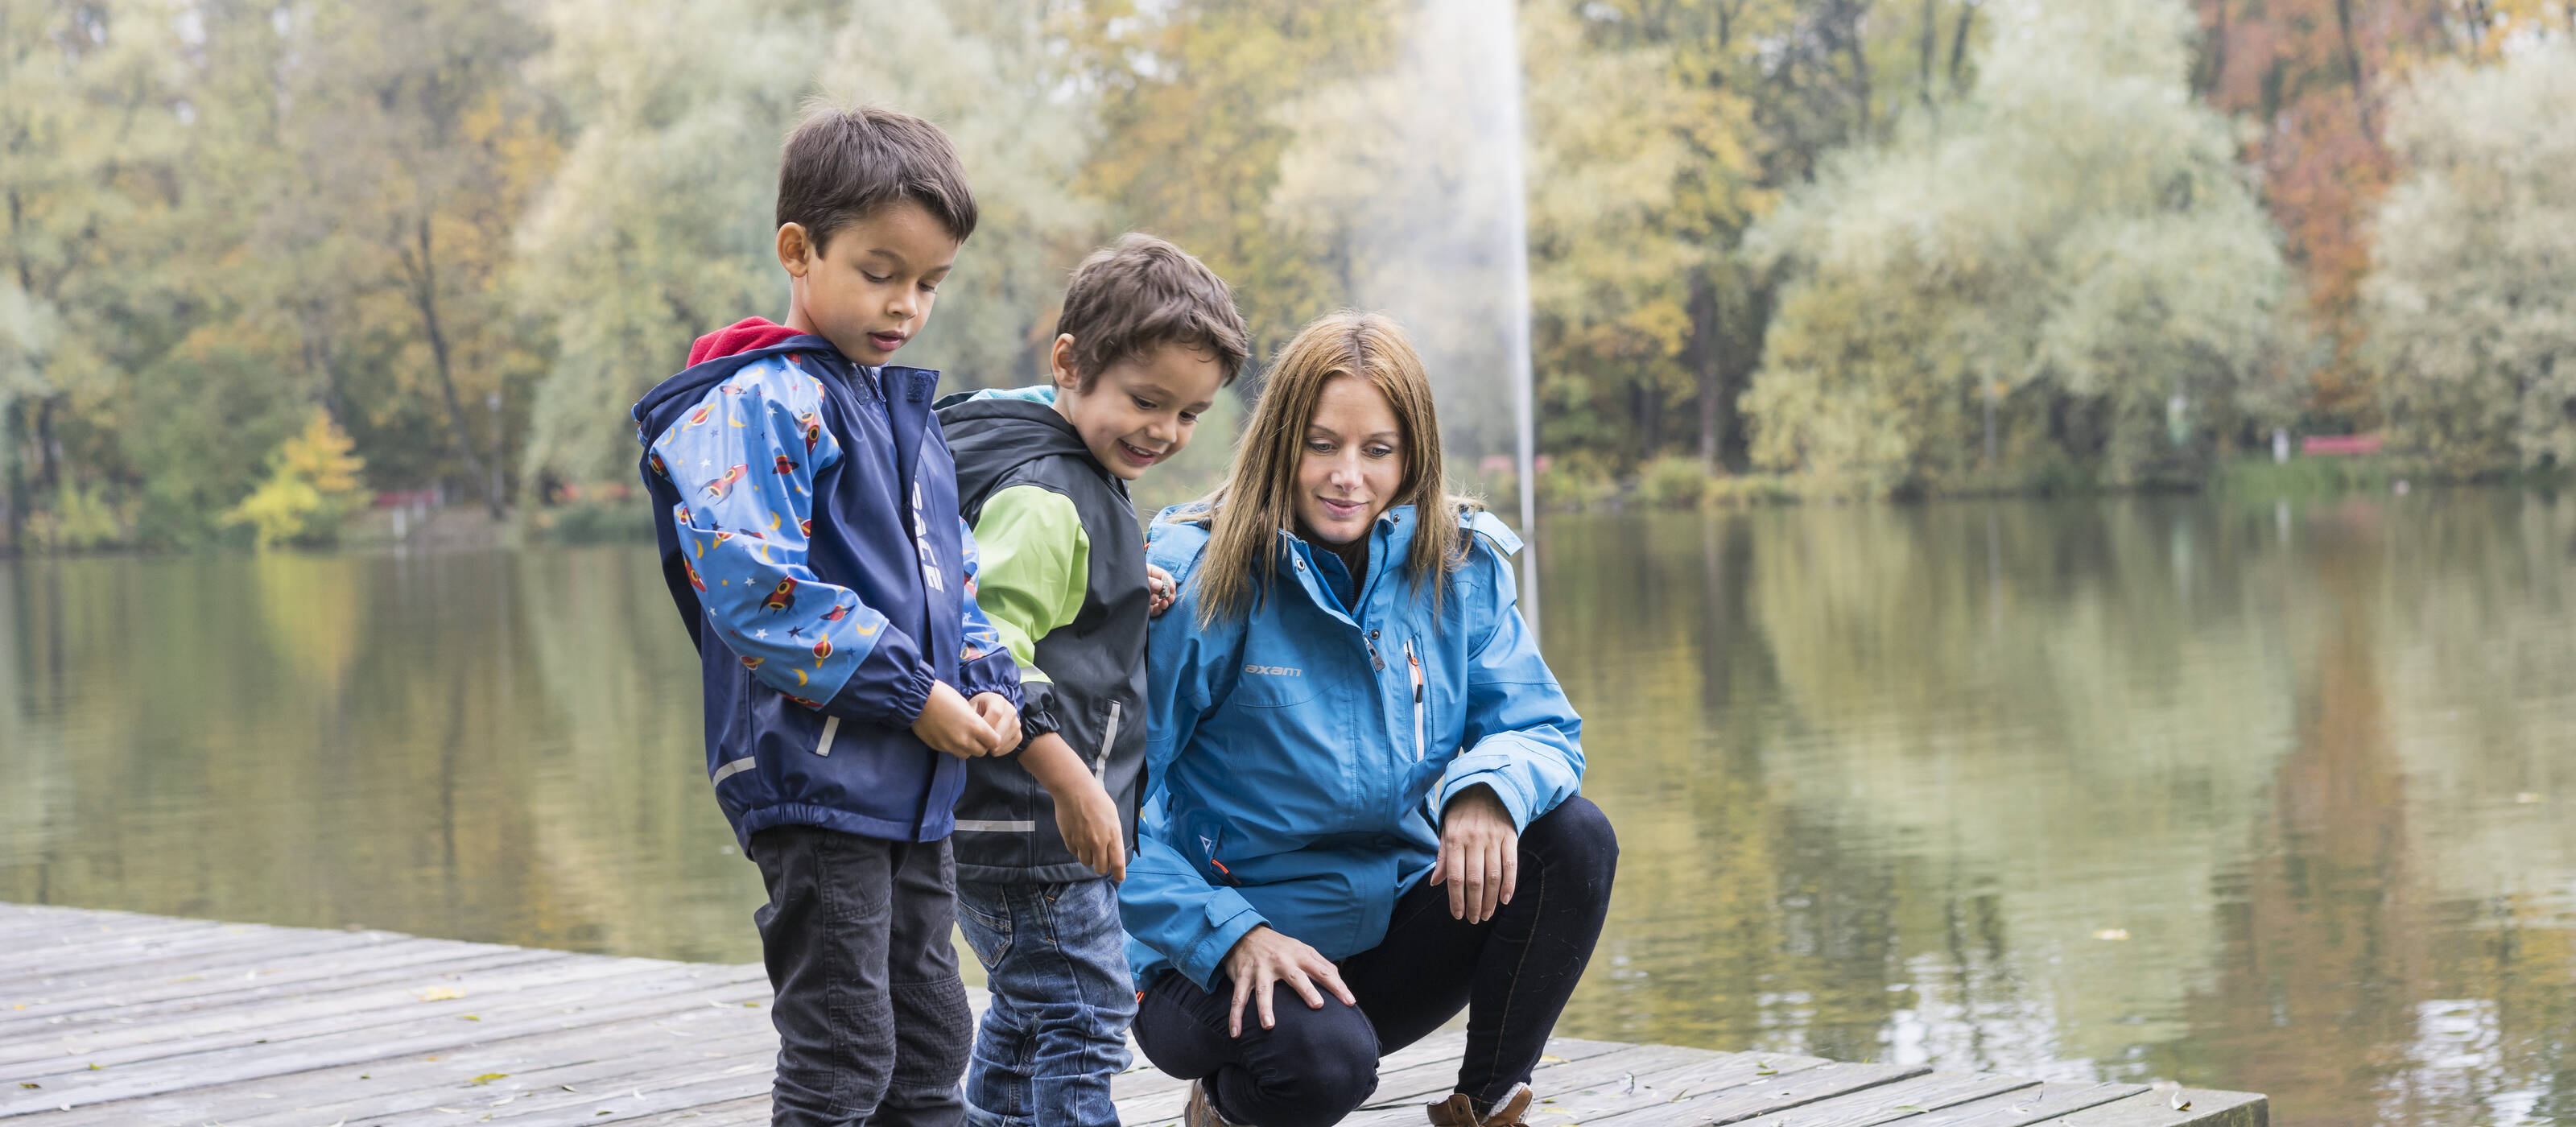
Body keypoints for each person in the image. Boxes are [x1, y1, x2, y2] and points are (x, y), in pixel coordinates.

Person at [1123, 311, 1618, 1127]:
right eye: (1321, 444)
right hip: (1205, 959)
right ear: (1281, 441)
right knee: (1324, 1068)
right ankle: (1220, 1101)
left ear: (1410, 454)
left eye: (1376, 449)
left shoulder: (1456, 568)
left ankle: (1487, 1100)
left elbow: (1541, 729)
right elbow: (1109, 808)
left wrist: (1485, 790)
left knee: (1572, 838)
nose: (1346, 475)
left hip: (1381, 938)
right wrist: (1229, 932)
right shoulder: (1194, 578)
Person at [631, 102, 1024, 1127]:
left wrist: (987, 685)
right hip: (816, 774)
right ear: (798, 251)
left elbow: (953, 585)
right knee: (844, 1046)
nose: (905, 306)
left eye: (930, 283)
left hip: (910, 779)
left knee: (933, 1033)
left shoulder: (903, 414)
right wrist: (914, 689)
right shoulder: (758, 399)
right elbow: (757, 592)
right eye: (880, 271)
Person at [935, 233, 1251, 1127]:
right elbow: (987, 644)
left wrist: (1119, 584)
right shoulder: (1047, 488)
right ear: (1070, 362)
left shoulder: (1035, 440)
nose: (1163, 432)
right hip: (1035, 818)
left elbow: (1042, 588)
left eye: (1189, 414)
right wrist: (1074, 785)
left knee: (1032, 1006)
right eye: (1146, 401)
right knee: (1084, 1012)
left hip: (993, 819)